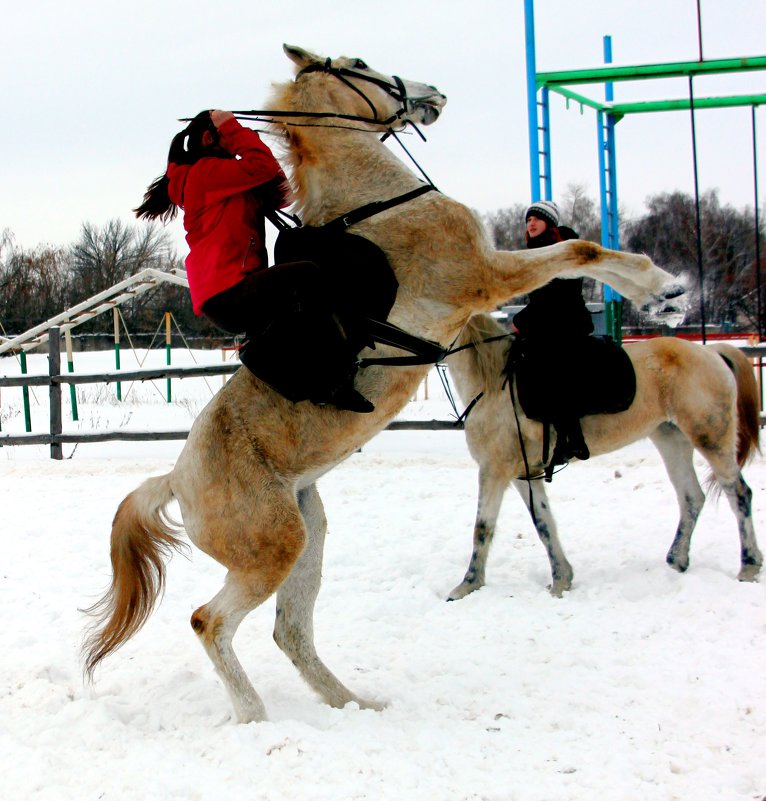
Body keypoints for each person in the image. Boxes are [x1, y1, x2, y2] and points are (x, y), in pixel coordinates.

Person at [134, 109, 374, 413]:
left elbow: (281, 191)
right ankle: (332, 381)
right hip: (229, 294)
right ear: (210, 138)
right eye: (228, 131)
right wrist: (235, 132)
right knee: (307, 276)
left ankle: (311, 363)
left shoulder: (227, 180)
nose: (237, 134)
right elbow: (259, 166)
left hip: (234, 291)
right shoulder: (203, 174)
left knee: (298, 255)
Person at [510, 200, 593, 464]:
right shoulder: (536, 252)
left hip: (567, 323)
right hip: (548, 323)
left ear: (549, 223)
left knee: (551, 367)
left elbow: (553, 296)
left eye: (537, 219)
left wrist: (521, 321)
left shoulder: (560, 250)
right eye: (528, 220)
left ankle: (573, 440)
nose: (530, 223)